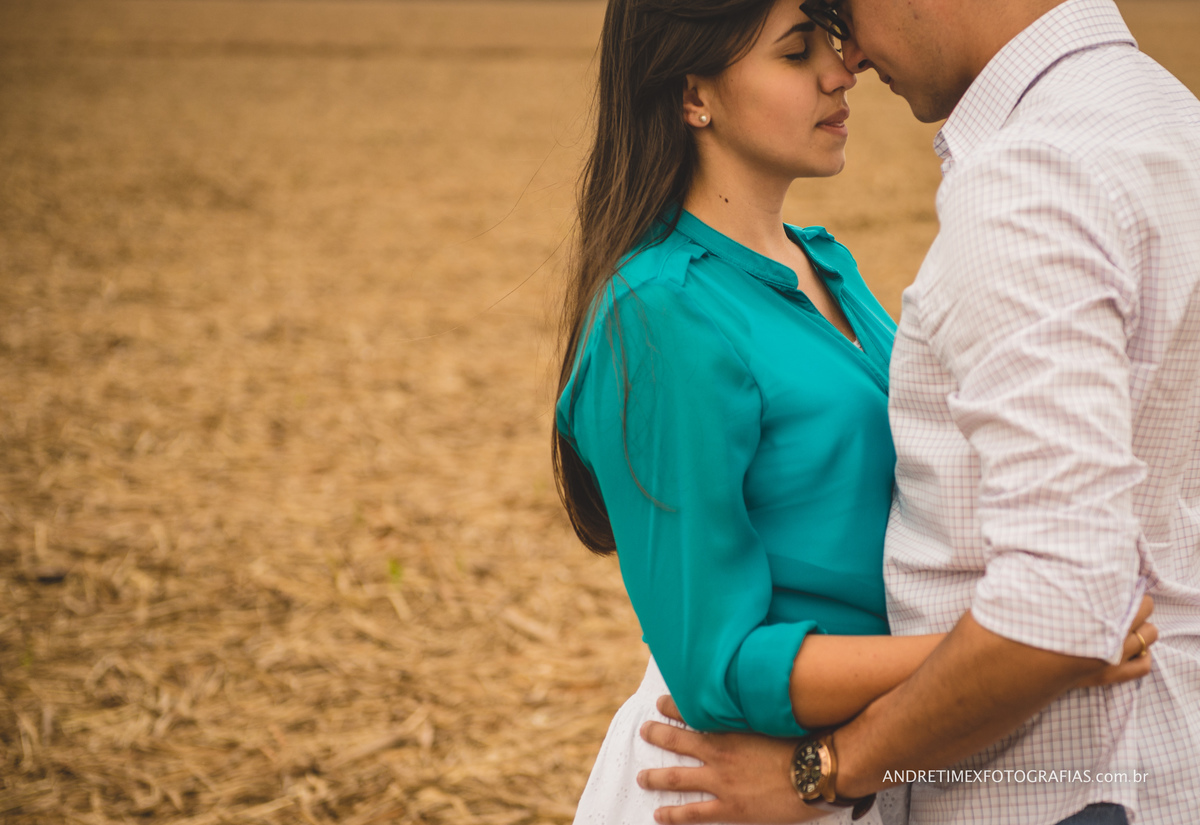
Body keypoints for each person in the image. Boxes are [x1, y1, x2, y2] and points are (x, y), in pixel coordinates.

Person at [552, 2, 1159, 824]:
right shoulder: (659, 313)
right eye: (798, 53)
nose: (842, 73)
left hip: (843, 773)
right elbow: (717, 667)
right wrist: (1018, 650)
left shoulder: (822, 263)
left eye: (832, 44)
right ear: (694, 94)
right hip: (724, 787)